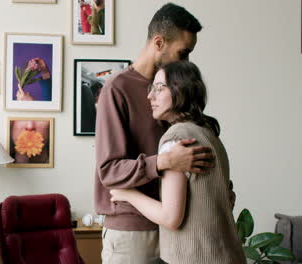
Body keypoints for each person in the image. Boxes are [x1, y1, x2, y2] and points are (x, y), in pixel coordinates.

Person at [94, 3, 213, 264]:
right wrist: (164, 162)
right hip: (133, 233)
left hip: (176, 226)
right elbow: (109, 171)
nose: (187, 62)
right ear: (159, 43)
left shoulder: (176, 91)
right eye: (183, 53)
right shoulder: (117, 89)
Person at [110, 61, 246, 264]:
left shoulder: (176, 137)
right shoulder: (209, 132)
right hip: (228, 254)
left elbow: (170, 218)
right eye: (151, 88)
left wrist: (128, 194)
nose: (150, 96)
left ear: (180, 90)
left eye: (159, 88)